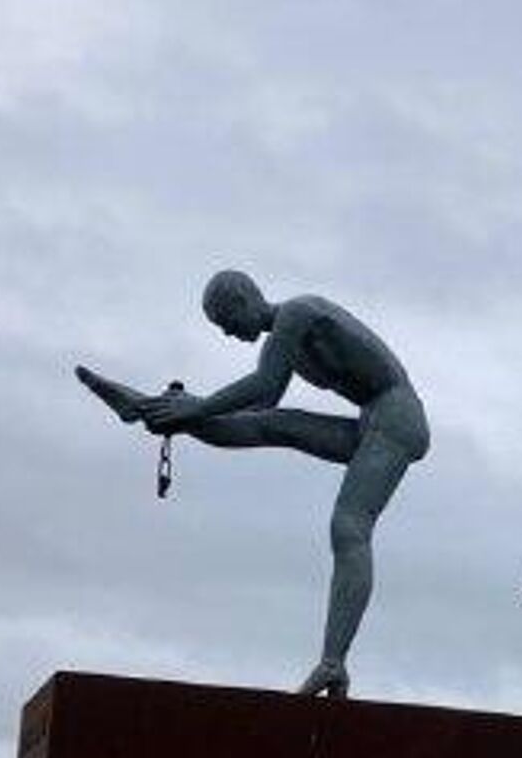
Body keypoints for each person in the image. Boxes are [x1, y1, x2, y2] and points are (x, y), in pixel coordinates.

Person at [75, 270, 428, 699]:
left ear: (245, 299)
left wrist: (197, 408)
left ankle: (333, 663)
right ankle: (147, 409)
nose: (227, 333)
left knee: (349, 527)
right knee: (270, 425)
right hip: (370, 421)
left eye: (226, 321)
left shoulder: (299, 313)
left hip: (397, 418)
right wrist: (186, 416)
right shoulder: (281, 340)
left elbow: (264, 383)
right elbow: (261, 409)